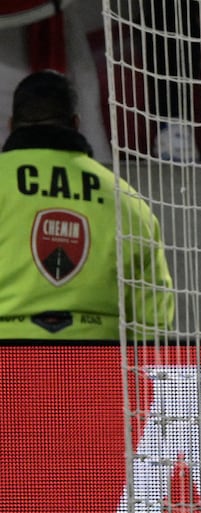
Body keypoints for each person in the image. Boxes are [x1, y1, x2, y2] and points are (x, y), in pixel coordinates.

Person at [0, 69, 174, 339]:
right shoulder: (127, 199)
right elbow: (155, 319)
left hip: (8, 364)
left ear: (11, 124)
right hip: (96, 368)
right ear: (76, 123)